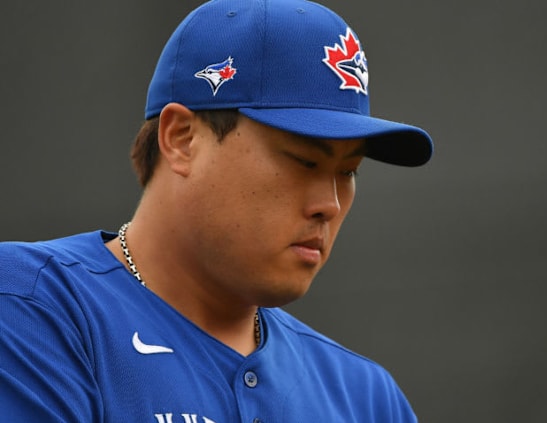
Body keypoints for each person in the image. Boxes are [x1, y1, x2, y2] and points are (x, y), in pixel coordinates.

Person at [0, 0, 433, 421]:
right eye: (305, 161)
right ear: (182, 139)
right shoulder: (31, 305)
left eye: (349, 171)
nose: (330, 205)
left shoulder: (366, 398)